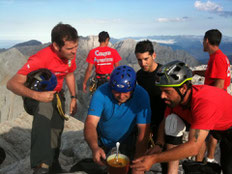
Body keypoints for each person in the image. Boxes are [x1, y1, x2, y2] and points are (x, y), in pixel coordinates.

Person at [131, 61, 232, 174]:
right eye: (161, 91)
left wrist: (154, 158)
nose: (162, 96)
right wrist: (159, 144)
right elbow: (165, 120)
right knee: (172, 120)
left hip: (228, 129)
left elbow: (194, 147)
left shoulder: (204, 103)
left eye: (167, 91)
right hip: (219, 127)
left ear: (183, 88)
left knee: (228, 168)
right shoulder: (176, 99)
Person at [7, 23, 78, 174]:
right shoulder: (40, 59)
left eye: (76, 47)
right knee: (45, 114)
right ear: (56, 46)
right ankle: (41, 166)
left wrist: (73, 97)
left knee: (57, 128)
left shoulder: (70, 56)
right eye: (70, 48)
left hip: (57, 95)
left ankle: (53, 164)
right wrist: (37, 95)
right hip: (35, 97)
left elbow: (69, 74)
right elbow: (12, 84)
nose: (74, 51)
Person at [84, 65, 151, 174]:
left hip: (129, 142)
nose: (121, 96)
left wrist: (138, 163)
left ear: (133, 88)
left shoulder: (142, 95)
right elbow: (90, 123)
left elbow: (143, 130)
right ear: (110, 87)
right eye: (116, 92)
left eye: (126, 92)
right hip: (105, 142)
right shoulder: (101, 93)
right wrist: (95, 147)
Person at [193, 29, 231, 163]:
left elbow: (219, 85)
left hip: (214, 104)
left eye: (203, 40)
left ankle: (201, 163)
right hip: (218, 103)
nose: (202, 43)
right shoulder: (217, 57)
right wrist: (196, 72)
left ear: (207, 40)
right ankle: (208, 158)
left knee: (202, 135)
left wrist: (207, 103)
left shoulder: (218, 59)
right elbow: (212, 74)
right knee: (212, 134)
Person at [135, 40, 167, 172]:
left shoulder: (164, 74)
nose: (143, 63)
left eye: (146, 59)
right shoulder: (139, 75)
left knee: (165, 158)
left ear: (154, 55)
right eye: (139, 60)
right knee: (143, 155)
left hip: (164, 120)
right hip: (147, 120)